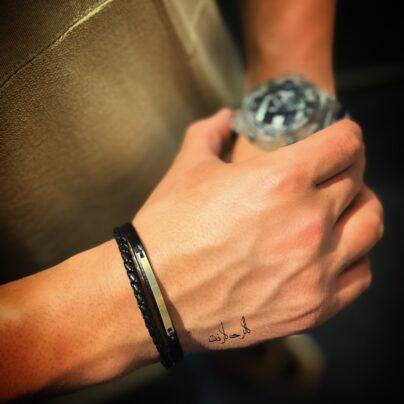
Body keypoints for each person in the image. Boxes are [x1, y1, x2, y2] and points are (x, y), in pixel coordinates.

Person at [0, 0, 384, 401]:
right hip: (43, 301)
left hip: (222, 126)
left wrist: (287, 81)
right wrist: (137, 304)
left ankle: (239, 340)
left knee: (265, 293)